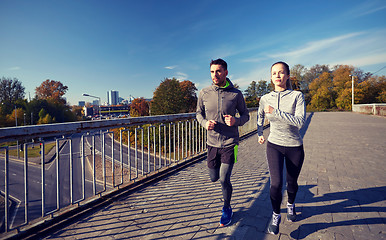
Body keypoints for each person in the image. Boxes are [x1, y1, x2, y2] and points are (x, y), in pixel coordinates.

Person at [196, 58, 250, 226]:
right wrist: (205, 124)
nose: (215, 75)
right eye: (212, 71)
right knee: (213, 177)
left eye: (218, 71)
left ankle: (227, 208)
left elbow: (246, 115)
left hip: (229, 143)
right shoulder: (204, 92)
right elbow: (198, 114)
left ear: (226, 72)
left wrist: (236, 121)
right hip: (211, 143)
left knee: (223, 179)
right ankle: (219, 174)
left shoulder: (236, 94)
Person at [257, 61, 306, 235]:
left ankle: (291, 205)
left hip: (294, 146)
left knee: (291, 183)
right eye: (274, 73)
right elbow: (260, 115)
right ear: (271, 77)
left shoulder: (297, 96)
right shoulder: (265, 98)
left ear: (287, 75)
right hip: (274, 145)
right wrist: (259, 132)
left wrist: (275, 112)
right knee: (276, 184)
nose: (277, 76)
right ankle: (276, 214)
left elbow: (300, 122)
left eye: (281, 72)